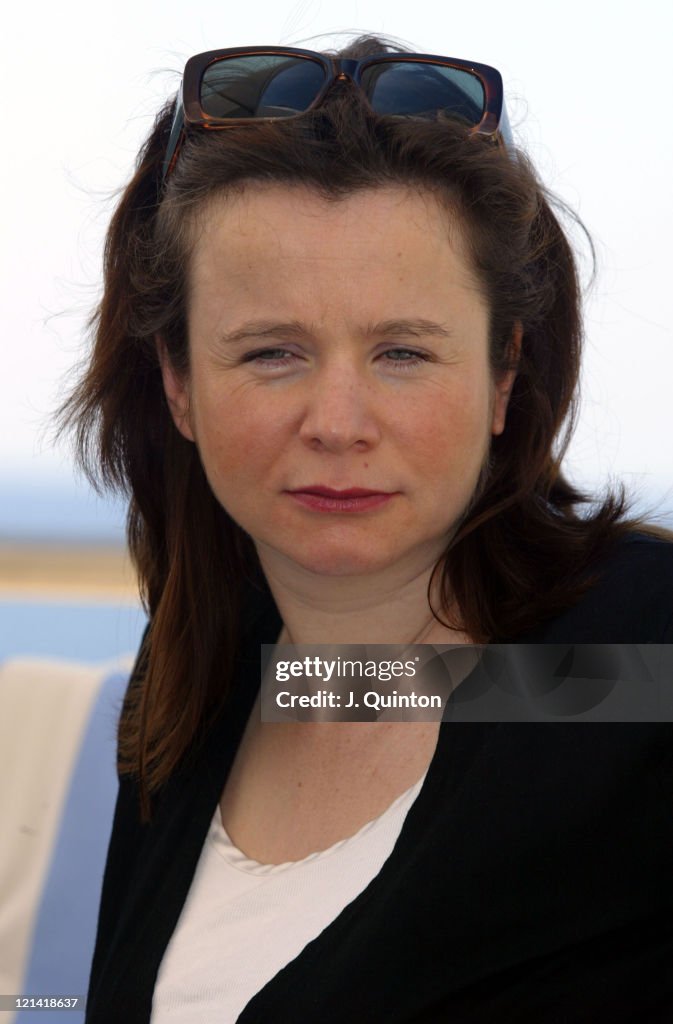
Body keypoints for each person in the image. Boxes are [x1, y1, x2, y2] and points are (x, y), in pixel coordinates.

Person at [59, 35, 673, 1023]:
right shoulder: (207, 683)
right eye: (270, 352)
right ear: (177, 381)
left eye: (400, 351)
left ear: (502, 374)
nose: (338, 422)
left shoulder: (640, 658)